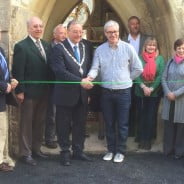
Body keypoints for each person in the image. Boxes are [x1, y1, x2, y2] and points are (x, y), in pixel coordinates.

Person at [87, 20, 143, 163]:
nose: (113, 34)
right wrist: (90, 77)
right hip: (106, 92)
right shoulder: (100, 50)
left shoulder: (128, 48)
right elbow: (95, 68)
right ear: (105, 33)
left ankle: (121, 151)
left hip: (124, 92)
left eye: (115, 32)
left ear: (119, 32)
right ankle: (111, 150)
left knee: (123, 123)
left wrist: (127, 79)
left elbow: (138, 68)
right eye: (110, 32)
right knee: (109, 122)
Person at [49, 20, 93, 166]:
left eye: (81, 31)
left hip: (82, 94)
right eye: (75, 31)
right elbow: (60, 72)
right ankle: (65, 153)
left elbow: (86, 70)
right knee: (63, 125)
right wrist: (80, 81)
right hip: (64, 95)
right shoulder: (58, 48)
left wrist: (87, 84)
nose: (78, 34)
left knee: (80, 124)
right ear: (67, 32)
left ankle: (78, 151)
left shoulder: (85, 47)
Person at [12, 17, 50, 166]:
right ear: (28, 28)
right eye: (35, 26)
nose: (39, 29)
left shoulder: (46, 45)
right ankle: (25, 153)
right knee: (27, 123)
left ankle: (36, 149)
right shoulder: (22, 46)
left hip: (44, 92)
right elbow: (18, 70)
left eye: (41, 26)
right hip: (28, 93)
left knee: (39, 122)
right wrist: (20, 91)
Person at [134, 37, 165, 150]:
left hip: (154, 93)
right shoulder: (139, 58)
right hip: (140, 92)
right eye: (149, 45)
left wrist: (151, 88)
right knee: (141, 115)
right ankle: (141, 138)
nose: (151, 47)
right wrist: (143, 87)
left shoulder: (160, 59)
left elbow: (160, 75)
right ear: (145, 46)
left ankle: (147, 140)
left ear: (156, 47)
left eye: (153, 45)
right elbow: (136, 73)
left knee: (150, 116)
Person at [124, 16, 149, 140]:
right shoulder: (123, 40)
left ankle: (140, 134)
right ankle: (129, 131)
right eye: (132, 24)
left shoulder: (146, 39)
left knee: (140, 106)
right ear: (128, 26)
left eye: (137, 23)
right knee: (127, 105)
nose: (135, 26)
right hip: (127, 77)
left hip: (142, 78)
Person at [45, 24, 67, 149]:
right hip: (52, 86)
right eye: (61, 33)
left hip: (65, 86)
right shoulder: (49, 48)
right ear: (54, 35)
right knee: (51, 114)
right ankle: (50, 138)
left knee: (63, 114)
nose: (63, 35)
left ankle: (61, 137)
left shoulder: (67, 47)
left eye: (65, 33)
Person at [162, 38, 184, 159]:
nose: (181, 50)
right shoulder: (169, 62)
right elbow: (163, 78)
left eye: (183, 48)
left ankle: (179, 151)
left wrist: (175, 94)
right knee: (169, 125)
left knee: (181, 127)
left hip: (181, 100)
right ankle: (168, 150)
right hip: (168, 99)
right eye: (179, 48)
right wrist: (167, 92)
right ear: (175, 49)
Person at [0, 29, 18, 172]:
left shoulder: (0, 49)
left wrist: (10, 80)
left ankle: (3, 158)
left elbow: (5, 70)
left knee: (3, 129)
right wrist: (3, 85)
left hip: (3, 98)